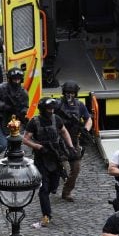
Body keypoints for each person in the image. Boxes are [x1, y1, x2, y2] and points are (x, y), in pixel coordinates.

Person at [22, 97, 75, 227]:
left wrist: (71, 146)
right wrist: (37, 146)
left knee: (53, 186)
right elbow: (25, 139)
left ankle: (52, 189)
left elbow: (63, 131)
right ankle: (46, 215)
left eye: (52, 109)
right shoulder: (34, 122)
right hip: (42, 158)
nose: (51, 111)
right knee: (44, 189)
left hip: (55, 157)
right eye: (48, 109)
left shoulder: (56, 119)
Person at [56, 80, 92, 202]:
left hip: (74, 140)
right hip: (59, 141)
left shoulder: (80, 105)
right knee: (57, 166)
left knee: (76, 168)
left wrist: (86, 130)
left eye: (72, 93)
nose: (69, 95)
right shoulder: (57, 105)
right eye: (67, 92)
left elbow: (88, 119)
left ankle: (66, 192)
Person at [0, 68, 29, 167]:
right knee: (3, 144)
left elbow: (25, 106)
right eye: (14, 79)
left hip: (14, 122)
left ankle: (7, 163)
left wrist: (23, 112)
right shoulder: (0, 88)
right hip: (0, 119)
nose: (16, 82)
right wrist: (4, 106)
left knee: (13, 145)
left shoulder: (23, 93)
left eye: (18, 79)